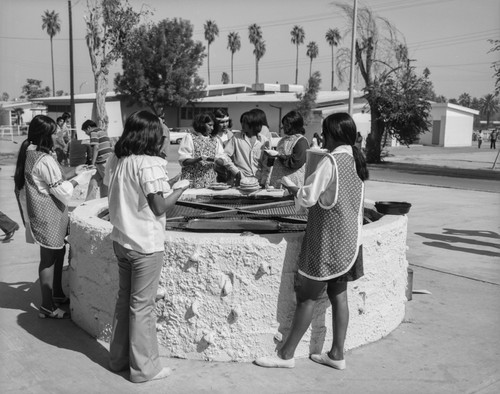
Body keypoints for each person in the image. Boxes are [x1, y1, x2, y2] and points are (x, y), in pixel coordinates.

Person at [255, 112, 368, 370]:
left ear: (332, 134)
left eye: (325, 132)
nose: (322, 136)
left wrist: (294, 189)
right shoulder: (358, 162)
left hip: (327, 241)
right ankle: (337, 354)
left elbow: (308, 197)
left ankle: (286, 355)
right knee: (339, 296)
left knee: (307, 297)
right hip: (350, 242)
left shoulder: (331, 161)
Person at [104, 110, 189, 383]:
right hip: (145, 246)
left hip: (122, 241)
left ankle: (118, 359)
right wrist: (182, 189)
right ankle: (144, 370)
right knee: (142, 308)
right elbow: (159, 206)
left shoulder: (117, 160)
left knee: (123, 301)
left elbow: (131, 192)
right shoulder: (149, 162)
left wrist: (170, 185)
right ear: (151, 135)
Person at [13, 115, 94, 319]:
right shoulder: (45, 159)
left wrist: (74, 170)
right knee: (48, 259)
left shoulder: (32, 153)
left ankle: (56, 294)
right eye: (54, 131)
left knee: (58, 253)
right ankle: (46, 307)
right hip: (48, 215)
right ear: (45, 136)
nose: (59, 133)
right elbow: (62, 191)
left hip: (48, 214)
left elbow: (54, 177)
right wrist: (80, 180)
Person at [216, 110, 271, 187]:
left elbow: (266, 164)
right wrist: (236, 172)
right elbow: (224, 156)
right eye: (242, 122)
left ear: (253, 124)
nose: (242, 125)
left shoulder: (264, 140)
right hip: (240, 182)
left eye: (245, 123)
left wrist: (264, 181)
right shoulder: (236, 138)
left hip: (258, 182)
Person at [178, 112, 223, 188]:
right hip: (191, 180)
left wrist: (218, 160)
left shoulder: (215, 140)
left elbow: (221, 160)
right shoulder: (189, 137)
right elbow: (184, 161)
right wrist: (200, 159)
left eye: (213, 125)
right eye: (209, 125)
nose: (212, 128)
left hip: (209, 181)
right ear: (201, 124)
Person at [266, 110, 309, 188]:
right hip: (278, 184)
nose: (283, 127)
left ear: (295, 125)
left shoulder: (301, 141)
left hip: (292, 186)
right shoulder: (282, 141)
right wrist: (270, 157)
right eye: (284, 124)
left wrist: (278, 155)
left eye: (287, 125)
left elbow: (296, 162)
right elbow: (274, 162)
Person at [82, 120, 113, 200]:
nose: (86, 134)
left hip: (102, 161)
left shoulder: (93, 133)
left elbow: (96, 147)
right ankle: (90, 203)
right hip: (104, 161)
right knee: (94, 182)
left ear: (89, 128)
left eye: (85, 131)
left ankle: (111, 202)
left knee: (108, 183)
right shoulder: (102, 132)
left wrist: (92, 163)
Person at [212, 108, 234, 183]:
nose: (225, 125)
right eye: (221, 122)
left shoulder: (231, 135)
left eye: (226, 121)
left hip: (230, 172)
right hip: (214, 173)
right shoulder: (211, 136)